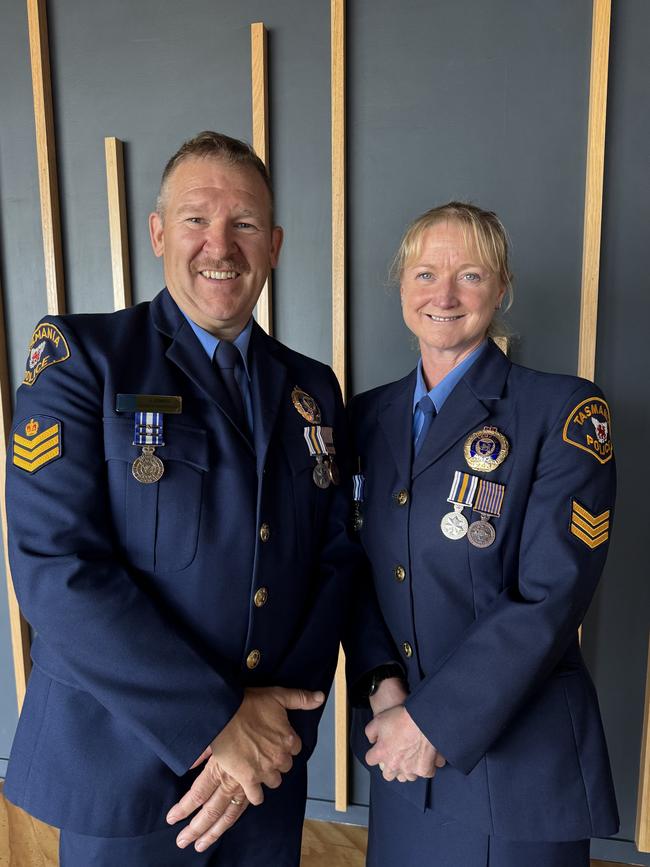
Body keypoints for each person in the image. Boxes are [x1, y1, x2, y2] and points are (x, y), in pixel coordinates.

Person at [3, 131, 371, 866]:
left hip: (265, 765)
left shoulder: (312, 388)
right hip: (124, 763)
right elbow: (58, 567)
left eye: (243, 224)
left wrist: (273, 724)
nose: (220, 245)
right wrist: (217, 722)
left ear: (273, 243)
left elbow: (335, 559)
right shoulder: (83, 360)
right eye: (198, 219)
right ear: (159, 231)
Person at [347, 202, 619, 867]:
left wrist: (431, 722)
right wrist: (383, 682)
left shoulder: (565, 411)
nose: (443, 294)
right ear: (401, 285)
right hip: (404, 764)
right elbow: (352, 568)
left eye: (469, 274)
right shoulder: (365, 416)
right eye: (424, 273)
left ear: (501, 288)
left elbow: (549, 597)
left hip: (519, 770)